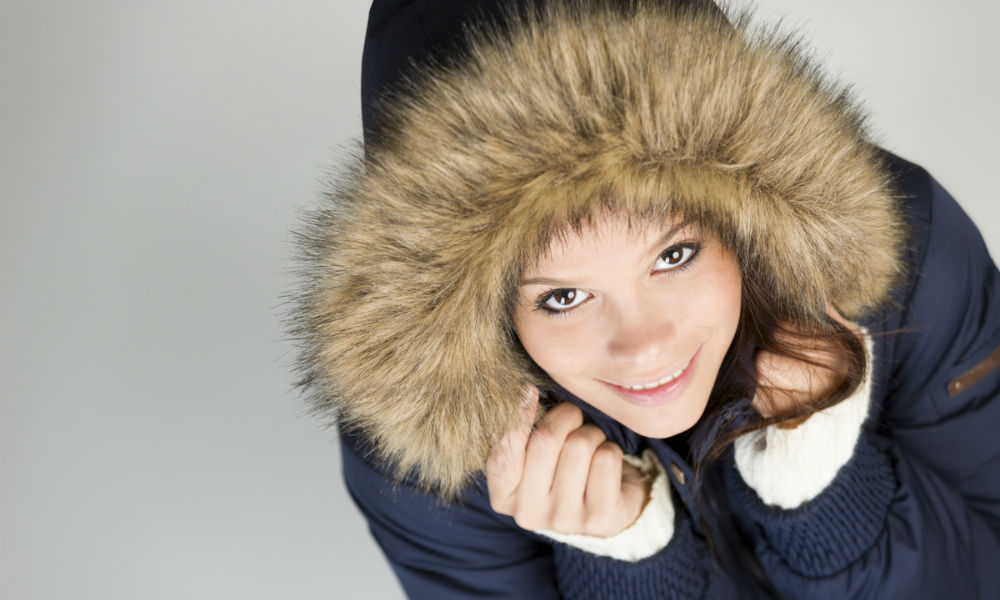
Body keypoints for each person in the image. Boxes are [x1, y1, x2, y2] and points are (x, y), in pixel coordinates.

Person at [287, 0, 1000, 597]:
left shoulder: (904, 261)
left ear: (748, 208)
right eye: (563, 297)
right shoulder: (430, 456)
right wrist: (628, 567)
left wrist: (829, 499)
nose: (646, 345)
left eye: (674, 255)